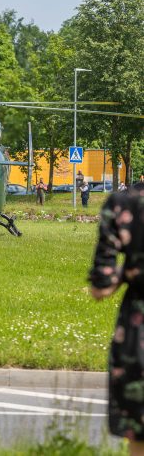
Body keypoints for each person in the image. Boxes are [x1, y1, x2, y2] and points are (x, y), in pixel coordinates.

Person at [89, 183, 144, 455]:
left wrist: (132, 268)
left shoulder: (124, 204)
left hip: (138, 335)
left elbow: (101, 286)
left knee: (139, 440)